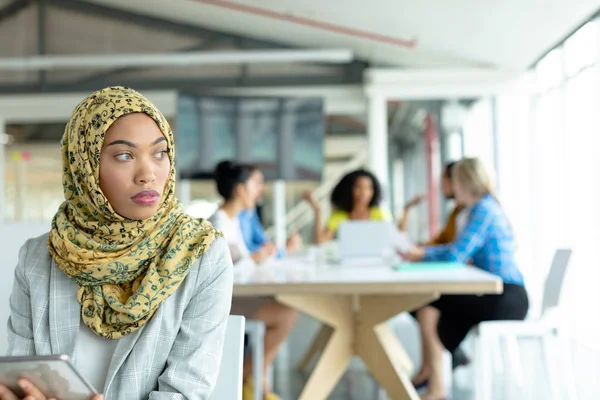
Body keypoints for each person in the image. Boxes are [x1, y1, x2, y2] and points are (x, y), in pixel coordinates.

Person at [1, 86, 233, 400]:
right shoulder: (38, 258)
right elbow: (20, 378)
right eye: (124, 155)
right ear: (85, 167)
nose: (148, 174)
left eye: (159, 152)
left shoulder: (199, 254)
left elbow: (184, 393)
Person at [399, 157, 529, 400]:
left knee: (429, 304)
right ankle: (435, 380)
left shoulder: (483, 210)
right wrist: (421, 253)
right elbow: (455, 250)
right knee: (429, 307)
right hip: (496, 292)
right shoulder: (478, 209)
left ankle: (435, 382)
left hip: (506, 297)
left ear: (465, 182)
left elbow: (456, 254)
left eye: (454, 182)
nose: (451, 188)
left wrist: (420, 254)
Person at [209, 161, 297, 400]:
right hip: (223, 302)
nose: (259, 191)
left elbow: (243, 261)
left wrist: (257, 258)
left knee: (284, 307)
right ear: (240, 189)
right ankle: (248, 376)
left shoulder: (235, 220)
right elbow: (226, 269)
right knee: (285, 314)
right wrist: (255, 259)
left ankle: (256, 380)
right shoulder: (219, 224)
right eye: (254, 185)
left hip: (237, 295)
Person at [304, 169, 387, 244]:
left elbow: (388, 240)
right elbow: (320, 241)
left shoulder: (379, 214)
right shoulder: (339, 215)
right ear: (349, 189)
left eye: (368, 188)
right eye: (359, 187)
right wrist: (317, 210)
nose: (364, 192)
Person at [238, 166, 301, 257]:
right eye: (257, 183)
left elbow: (264, 243)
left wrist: (278, 249)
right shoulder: (238, 217)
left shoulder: (250, 213)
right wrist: (286, 249)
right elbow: (249, 254)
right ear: (242, 188)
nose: (262, 188)